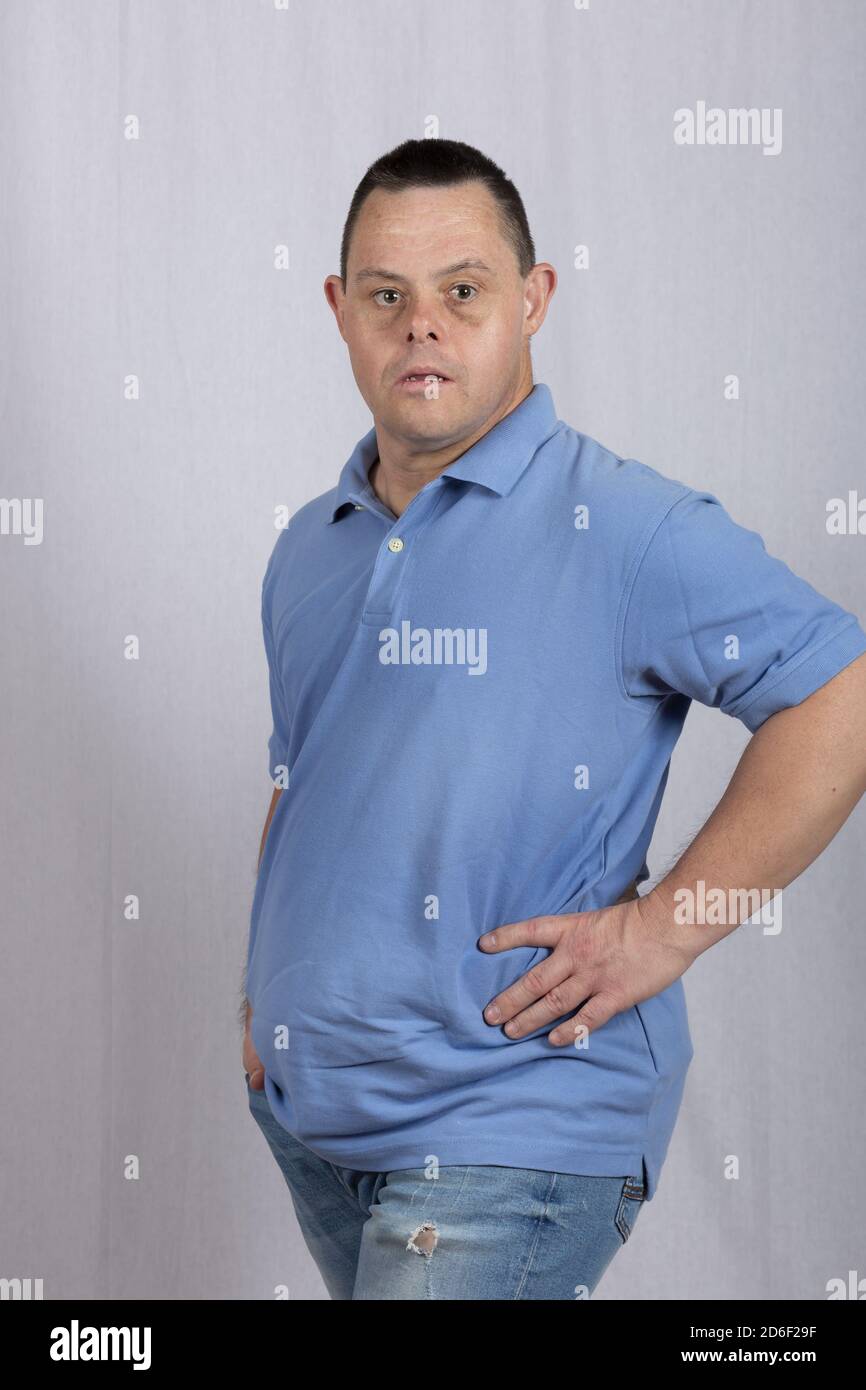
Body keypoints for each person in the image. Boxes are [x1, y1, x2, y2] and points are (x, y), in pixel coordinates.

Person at [241, 137, 866, 1300]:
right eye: (387, 295)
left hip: (507, 1120)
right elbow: (304, 777)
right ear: (339, 310)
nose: (420, 325)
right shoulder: (307, 545)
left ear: (532, 301)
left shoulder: (628, 528)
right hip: (316, 1127)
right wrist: (261, 996)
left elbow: (842, 691)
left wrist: (663, 929)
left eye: (462, 291)